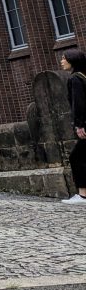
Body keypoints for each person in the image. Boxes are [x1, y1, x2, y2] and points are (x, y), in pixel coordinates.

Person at [60, 48, 86, 205]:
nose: (62, 61)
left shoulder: (75, 79)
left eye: (64, 58)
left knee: (77, 157)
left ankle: (83, 195)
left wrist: (79, 125)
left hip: (85, 124)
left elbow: (79, 104)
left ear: (72, 60)